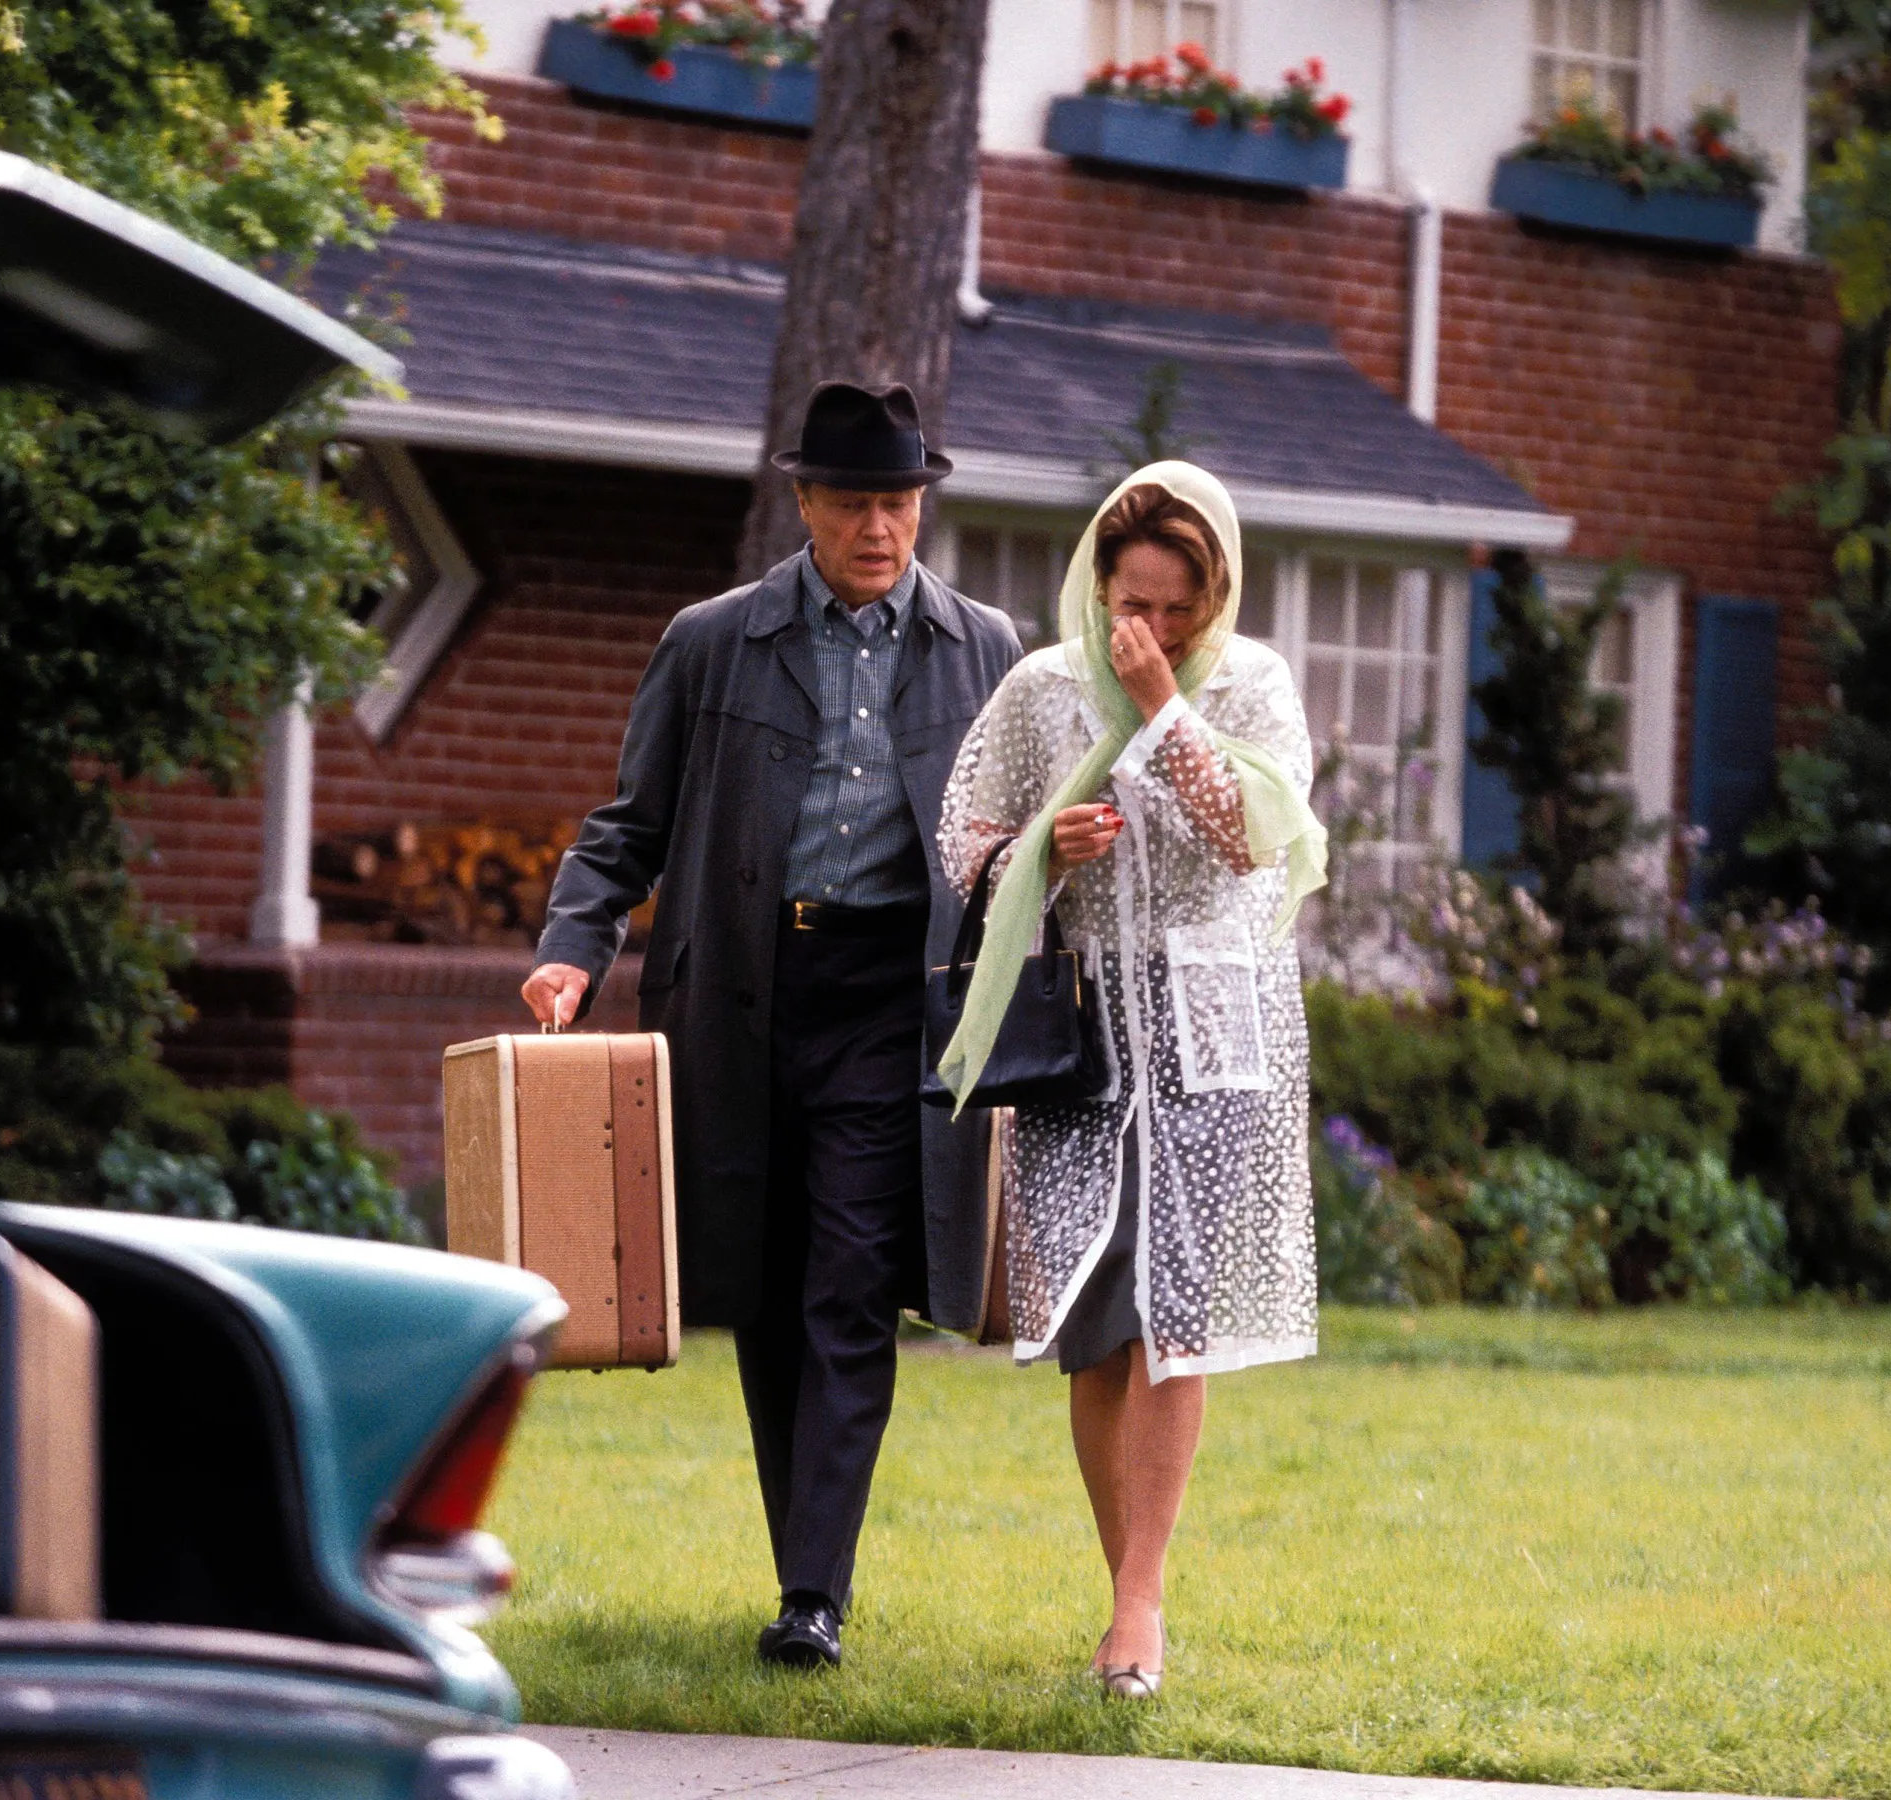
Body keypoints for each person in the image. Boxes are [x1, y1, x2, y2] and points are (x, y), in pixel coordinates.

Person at [523, 380, 1022, 1671]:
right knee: (765, 1278)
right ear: (803, 503)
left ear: (923, 506)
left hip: (891, 1004)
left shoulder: (985, 651)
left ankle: (814, 1595)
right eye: (853, 499)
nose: (878, 524)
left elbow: (1019, 839)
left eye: (899, 500)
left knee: (850, 1279)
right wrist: (572, 953)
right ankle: (804, 1566)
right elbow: (625, 827)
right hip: (740, 993)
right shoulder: (713, 642)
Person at [934, 462, 1325, 1699]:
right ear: (1095, 583)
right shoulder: (1040, 691)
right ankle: (1127, 1598)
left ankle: (1137, 1608)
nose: (1142, 632)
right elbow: (964, 847)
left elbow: (1252, 838)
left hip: (1212, 1035)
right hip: (1082, 1034)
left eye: (1172, 609)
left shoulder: (1250, 685)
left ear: (1212, 603)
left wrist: (1163, 709)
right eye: (1128, 604)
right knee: (1097, 1338)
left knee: (1174, 1320)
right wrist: (1044, 846)